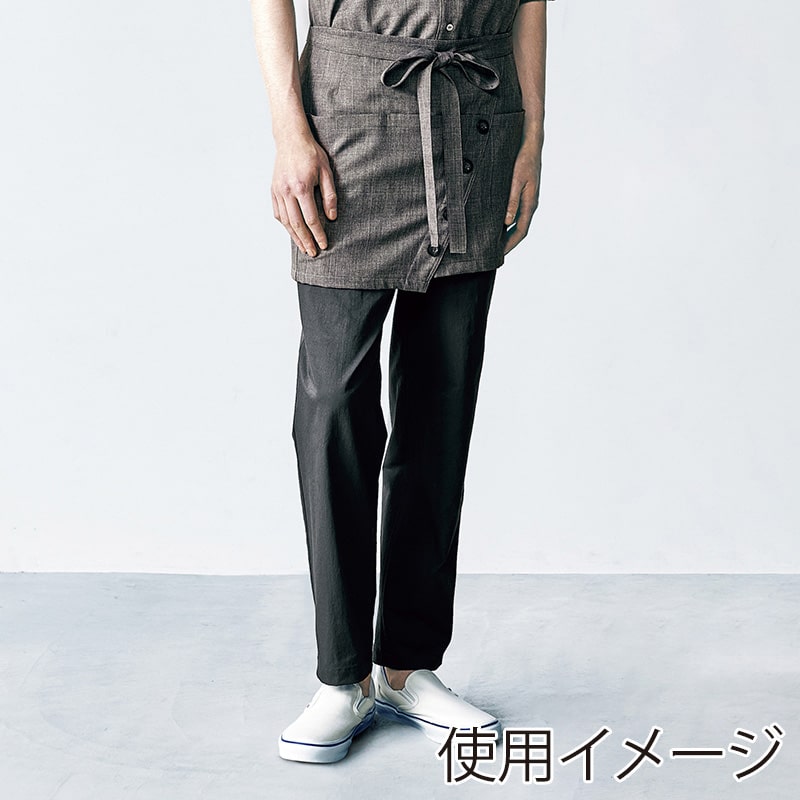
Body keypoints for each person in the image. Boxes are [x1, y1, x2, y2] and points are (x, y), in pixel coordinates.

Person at [250, 0, 550, 763]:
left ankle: (408, 666)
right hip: (346, 122)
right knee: (334, 405)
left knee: (440, 405)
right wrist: (289, 131)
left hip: (478, 120)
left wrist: (534, 134)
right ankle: (342, 675)